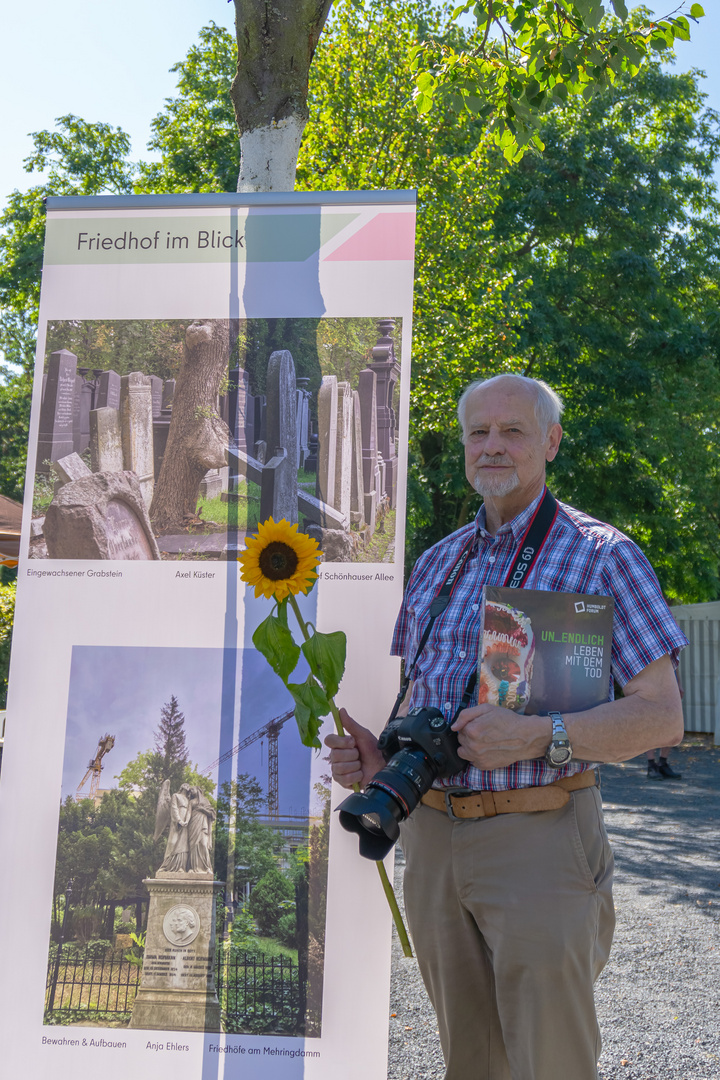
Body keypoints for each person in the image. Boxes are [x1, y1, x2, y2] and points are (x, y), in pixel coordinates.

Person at [326, 374, 687, 1080]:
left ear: (550, 443)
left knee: (550, 1061)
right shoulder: (436, 564)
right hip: (431, 840)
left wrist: (536, 735)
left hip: (541, 835)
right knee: (469, 1061)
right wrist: (381, 758)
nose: (493, 446)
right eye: (478, 433)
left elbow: (662, 716)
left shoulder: (601, 555)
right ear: (463, 445)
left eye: (513, 431)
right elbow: (420, 700)